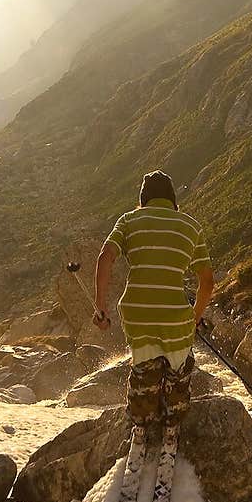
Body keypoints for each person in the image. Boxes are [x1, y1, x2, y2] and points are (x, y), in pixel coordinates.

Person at [93, 169, 214, 432]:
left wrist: (100, 305)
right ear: (173, 199)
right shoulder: (191, 227)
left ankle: (142, 418)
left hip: (137, 314)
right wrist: (194, 318)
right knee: (179, 369)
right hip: (175, 316)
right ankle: (172, 423)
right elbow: (207, 281)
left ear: (142, 199)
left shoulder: (128, 221)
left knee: (144, 365)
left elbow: (105, 257)